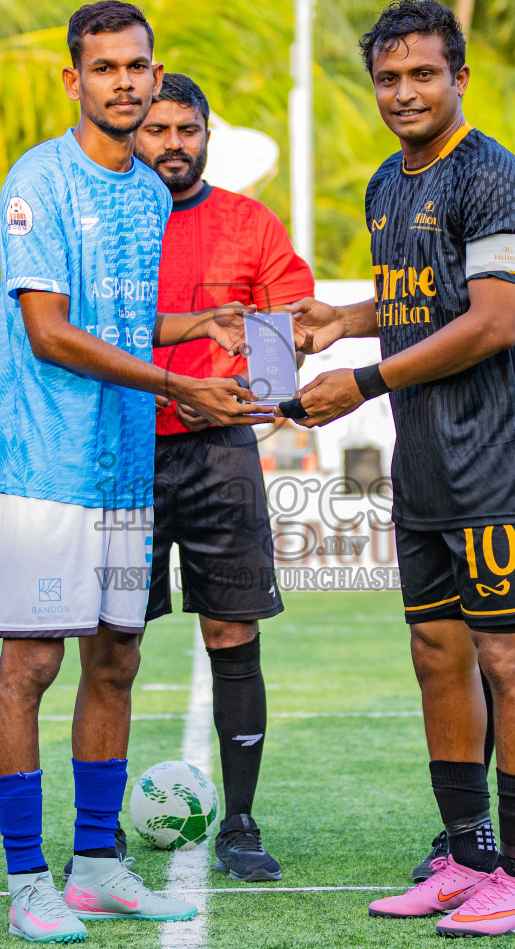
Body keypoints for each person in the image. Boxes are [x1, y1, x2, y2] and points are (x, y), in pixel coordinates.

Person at [0, 2, 269, 944]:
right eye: (104, 68)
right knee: (32, 663)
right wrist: (180, 380)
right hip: (42, 463)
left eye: (137, 66)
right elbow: (51, 331)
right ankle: (28, 879)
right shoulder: (37, 180)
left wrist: (207, 325)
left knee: (118, 658)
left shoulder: (147, 191)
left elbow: (122, 322)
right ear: (75, 81)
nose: (124, 83)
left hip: (122, 470)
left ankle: (96, 865)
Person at [283, 0, 515, 938]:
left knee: (506, 658)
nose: (405, 93)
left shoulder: (491, 174)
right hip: (430, 468)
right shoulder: (384, 184)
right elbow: (425, 295)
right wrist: (345, 318)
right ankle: (466, 856)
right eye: (389, 78)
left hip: (503, 459)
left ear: (460, 79)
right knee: (436, 655)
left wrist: (360, 380)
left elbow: (490, 319)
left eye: (423, 75)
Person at [135, 72, 315, 881]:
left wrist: (270, 394)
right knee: (111, 646)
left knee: (233, 635)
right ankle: (97, 820)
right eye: (157, 128)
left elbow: (291, 316)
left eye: (188, 129)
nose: (173, 143)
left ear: (208, 134)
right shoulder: (109, 220)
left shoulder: (249, 222)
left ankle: (240, 821)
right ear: (133, 129)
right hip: (123, 457)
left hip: (220, 458)